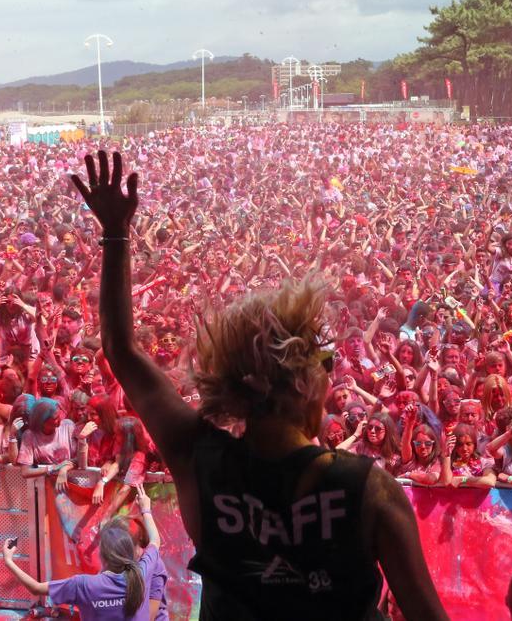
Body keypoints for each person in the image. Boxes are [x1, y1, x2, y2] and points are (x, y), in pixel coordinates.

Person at [73, 149, 447, 620]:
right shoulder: (370, 489)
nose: (330, 378)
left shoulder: (200, 457)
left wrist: (115, 232)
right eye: (323, 365)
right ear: (301, 386)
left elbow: (121, 350)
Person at [4, 484, 160, 620]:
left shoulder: (83, 585)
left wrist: (9, 560)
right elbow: (155, 541)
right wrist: (146, 510)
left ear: (102, 554)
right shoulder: (141, 573)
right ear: (131, 552)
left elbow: (36, 588)